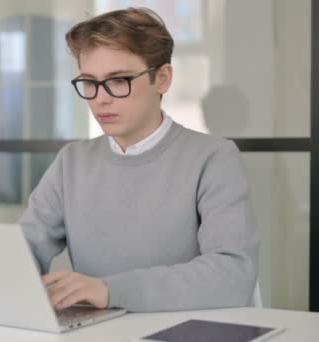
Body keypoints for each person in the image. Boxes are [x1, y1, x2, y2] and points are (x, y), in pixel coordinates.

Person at [19, 7, 259, 313]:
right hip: (99, 334)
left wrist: (109, 290)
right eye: (89, 82)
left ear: (162, 78)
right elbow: (22, 249)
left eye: (118, 80)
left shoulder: (214, 158)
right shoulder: (72, 161)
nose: (100, 98)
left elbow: (233, 275)